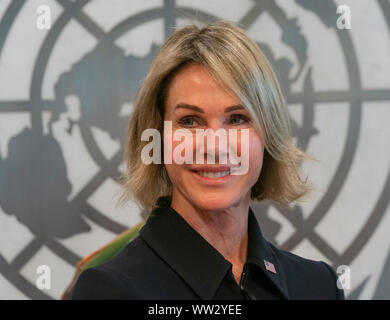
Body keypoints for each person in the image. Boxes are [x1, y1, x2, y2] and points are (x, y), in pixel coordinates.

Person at [72, 20, 345, 300]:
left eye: (238, 119)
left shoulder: (319, 286)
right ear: (157, 137)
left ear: (268, 135)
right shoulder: (107, 291)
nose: (214, 146)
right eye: (190, 121)